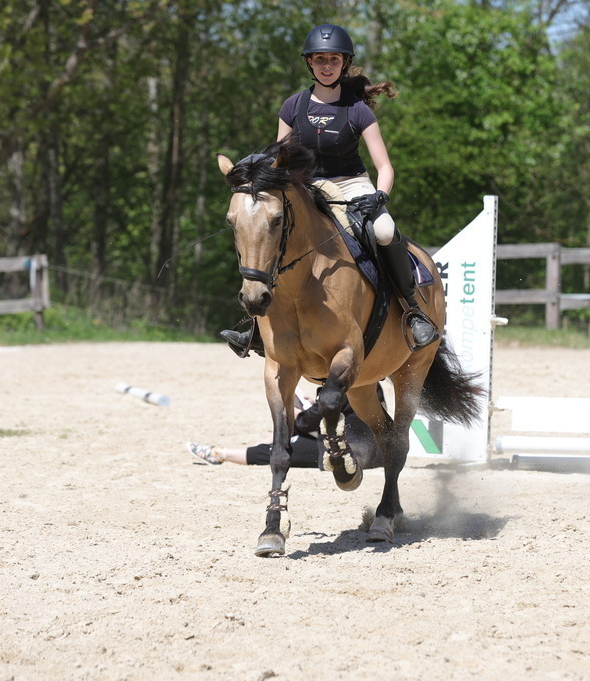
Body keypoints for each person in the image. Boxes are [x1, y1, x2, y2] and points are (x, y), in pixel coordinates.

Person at [221, 23, 439, 358]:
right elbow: (280, 160)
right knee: (267, 230)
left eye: (334, 59)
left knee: (384, 230)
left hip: (350, 184)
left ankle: (412, 311)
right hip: (305, 187)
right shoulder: (293, 106)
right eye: (320, 59)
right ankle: (254, 326)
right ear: (309, 63)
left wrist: (379, 196)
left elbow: (385, 167)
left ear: (344, 63)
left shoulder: (357, 109)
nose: (327, 65)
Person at [186, 385, 383, 469]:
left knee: (279, 451)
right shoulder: (365, 380)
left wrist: (296, 413)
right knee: (283, 438)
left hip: (347, 451)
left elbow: (306, 423)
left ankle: (220, 454)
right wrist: (314, 405)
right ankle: (249, 448)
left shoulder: (337, 387)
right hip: (366, 445)